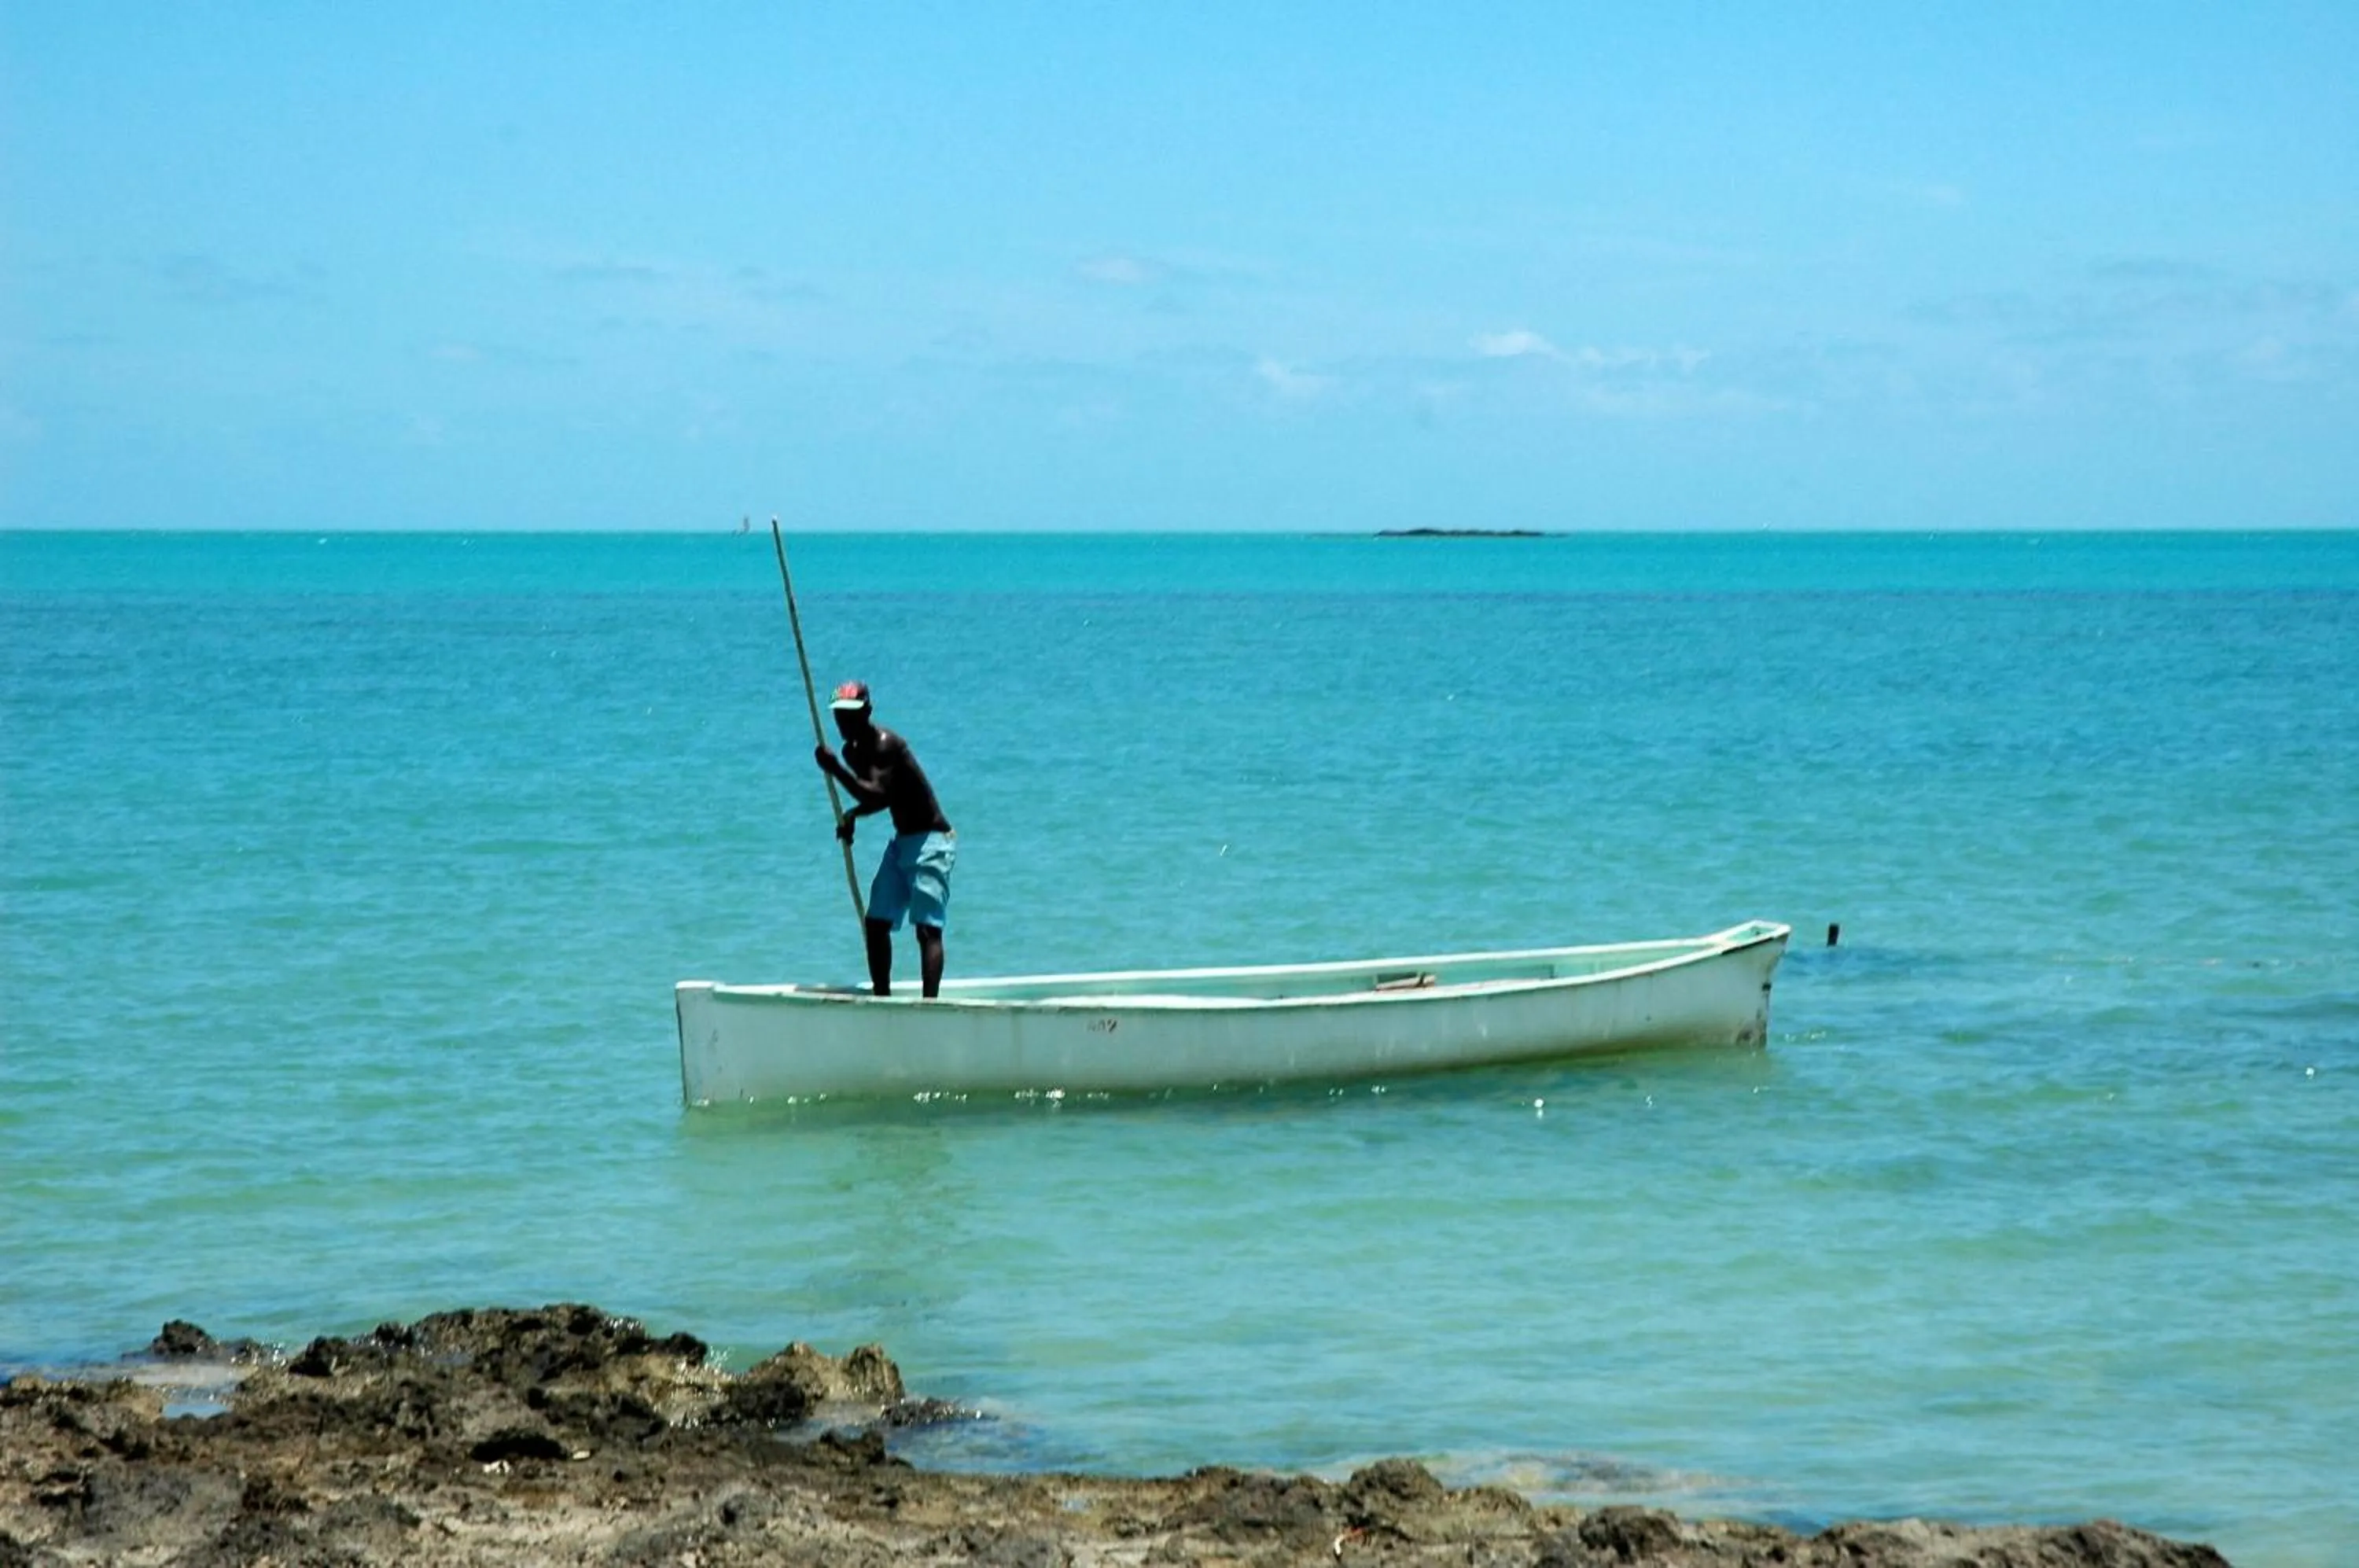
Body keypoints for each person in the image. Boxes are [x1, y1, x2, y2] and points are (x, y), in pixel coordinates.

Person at [812, 680, 956, 998]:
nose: (844, 723)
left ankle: (930, 1006)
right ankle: (882, 998)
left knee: (927, 928)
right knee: (876, 924)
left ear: (867, 712)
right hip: (903, 841)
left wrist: (835, 769)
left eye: (851, 715)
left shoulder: (886, 744)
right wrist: (852, 815)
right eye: (839, 715)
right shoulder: (852, 752)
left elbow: (878, 791)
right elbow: (880, 801)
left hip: (932, 840)